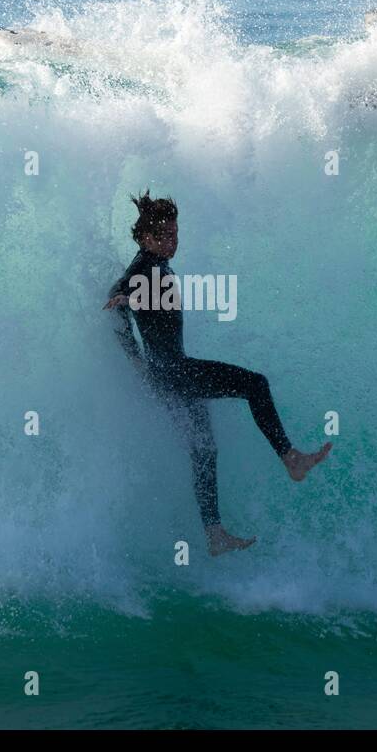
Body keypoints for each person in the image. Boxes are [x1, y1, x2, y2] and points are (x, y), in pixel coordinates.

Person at [104, 191, 331, 556]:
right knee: (255, 384)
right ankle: (291, 458)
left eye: (175, 234)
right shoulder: (144, 268)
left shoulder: (155, 262)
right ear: (146, 238)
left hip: (170, 376)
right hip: (175, 374)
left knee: (205, 450)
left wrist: (136, 350)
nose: (172, 242)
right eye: (164, 236)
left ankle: (214, 535)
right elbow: (122, 295)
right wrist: (128, 320)